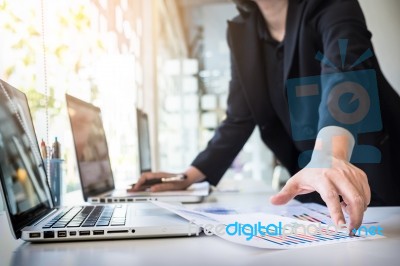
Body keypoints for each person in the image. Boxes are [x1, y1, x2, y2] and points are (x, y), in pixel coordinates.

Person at [132, 0, 400, 234]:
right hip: (317, 188)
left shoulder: (330, 5)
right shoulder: (241, 31)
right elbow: (239, 116)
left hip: (379, 173)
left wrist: (328, 154)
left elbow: (345, 73)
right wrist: (187, 177)